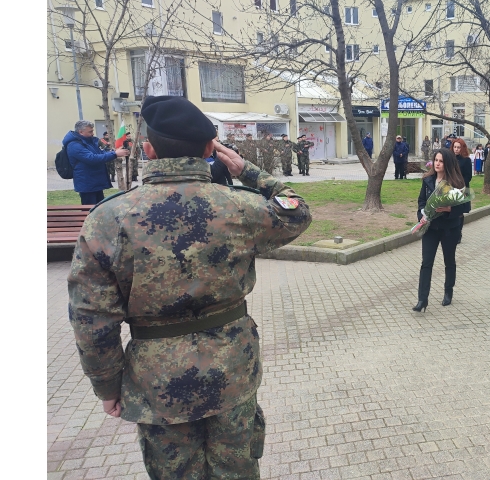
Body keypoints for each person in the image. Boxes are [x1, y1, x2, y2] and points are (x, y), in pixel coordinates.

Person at [67, 95, 312, 479]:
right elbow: (296, 210)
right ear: (210, 149)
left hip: (157, 382)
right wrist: (249, 171)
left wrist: (107, 387)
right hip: (232, 369)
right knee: (236, 470)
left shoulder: (109, 218)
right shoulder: (240, 207)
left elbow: (91, 319)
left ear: (148, 150)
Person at [413, 149, 470, 312]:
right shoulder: (428, 180)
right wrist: (422, 216)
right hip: (430, 228)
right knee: (426, 263)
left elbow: (466, 206)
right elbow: (421, 201)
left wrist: (449, 209)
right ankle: (422, 299)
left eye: (441, 161)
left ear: (448, 163)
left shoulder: (457, 182)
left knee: (449, 261)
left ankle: (448, 292)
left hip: (449, 228)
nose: (437, 164)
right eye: (436, 160)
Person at [63, 120, 129, 205]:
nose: (93, 133)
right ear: (81, 132)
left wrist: (112, 152)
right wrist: (115, 154)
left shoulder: (91, 141)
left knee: (99, 208)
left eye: (92, 131)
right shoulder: (74, 145)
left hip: (95, 181)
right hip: (87, 184)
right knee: (89, 208)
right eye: (90, 131)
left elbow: (101, 153)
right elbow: (92, 159)